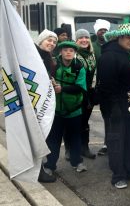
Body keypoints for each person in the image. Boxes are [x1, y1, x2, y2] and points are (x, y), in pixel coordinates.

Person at [97, 23, 130, 189]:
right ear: (119, 37)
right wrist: (114, 108)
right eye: (127, 37)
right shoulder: (109, 56)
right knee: (117, 140)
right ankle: (118, 174)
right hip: (116, 108)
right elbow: (106, 86)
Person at [44, 41, 88, 177]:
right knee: (53, 139)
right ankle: (50, 165)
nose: (68, 52)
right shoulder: (53, 65)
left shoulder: (79, 67)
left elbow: (80, 87)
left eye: (71, 51)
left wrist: (62, 89)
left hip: (74, 110)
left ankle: (77, 162)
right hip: (55, 111)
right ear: (60, 52)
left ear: (75, 53)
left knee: (75, 137)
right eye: (65, 50)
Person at [35, 29, 58, 183]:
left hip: (42, 101)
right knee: (36, 136)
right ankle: (37, 171)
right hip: (34, 103)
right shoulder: (32, 55)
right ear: (41, 40)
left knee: (41, 135)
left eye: (54, 42)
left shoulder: (47, 57)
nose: (51, 43)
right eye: (48, 40)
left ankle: (37, 169)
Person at [75, 29, 97, 159]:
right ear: (76, 40)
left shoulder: (91, 55)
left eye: (86, 37)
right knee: (77, 121)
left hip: (90, 94)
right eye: (80, 38)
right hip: (78, 93)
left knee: (84, 121)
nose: (84, 40)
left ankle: (85, 147)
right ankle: (74, 149)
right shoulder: (74, 55)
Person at [92, 19, 110, 156]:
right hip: (97, 86)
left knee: (111, 117)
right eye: (100, 30)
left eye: (105, 30)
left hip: (110, 86)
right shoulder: (92, 46)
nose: (103, 32)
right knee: (105, 116)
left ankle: (108, 143)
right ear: (96, 31)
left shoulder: (112, 45)